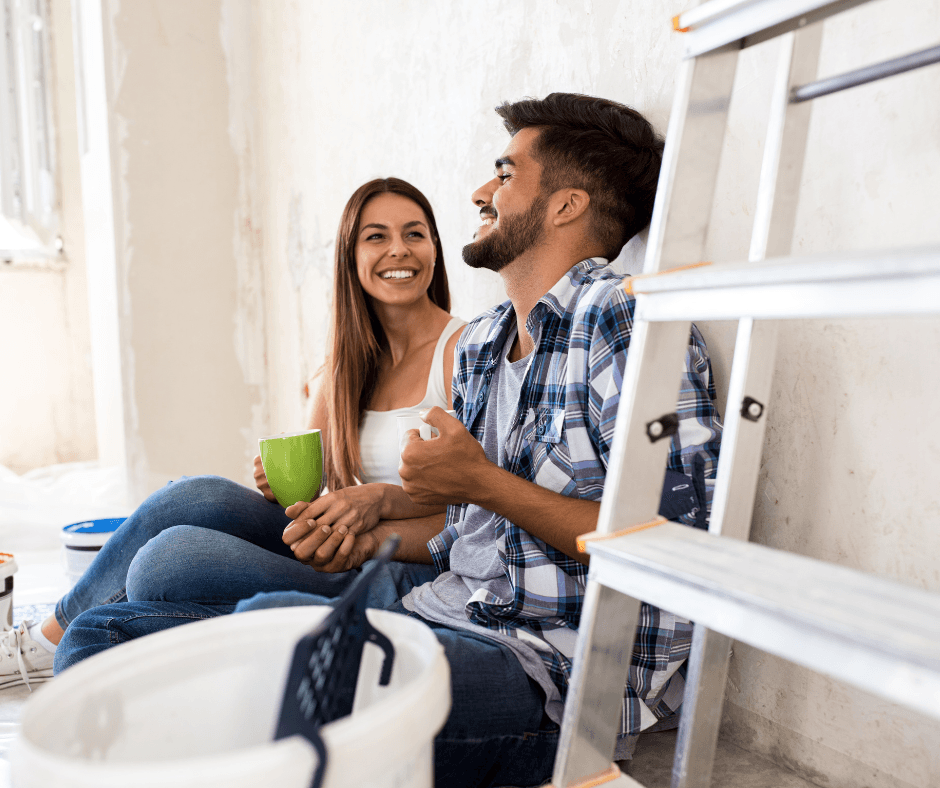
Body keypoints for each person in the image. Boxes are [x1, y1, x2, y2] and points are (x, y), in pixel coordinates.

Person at [52, 93, 723, 788]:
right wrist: (376, 511)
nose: (479, 191)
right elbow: (468, 534)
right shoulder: (489, 345)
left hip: (549, 679)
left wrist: (478, 483)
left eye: (504, 173)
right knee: (104, 633)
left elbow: (672, 549)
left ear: (565, 205)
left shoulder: (626, 324)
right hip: (447, 609)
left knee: (274, 626)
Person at [0, 177, 464, 690]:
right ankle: (44, 640)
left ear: (435, 249)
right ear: (349, 257)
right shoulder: (344, 366)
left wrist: (377, 506)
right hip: (339, 546)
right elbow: (312, 494)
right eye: (376, 236)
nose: (398, 249)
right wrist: (286, 487)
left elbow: (483, 514)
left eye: (414, 234)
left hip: (408, 566)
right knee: (190, 496)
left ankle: (108, 641)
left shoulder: (463, 351)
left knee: (161, 566)